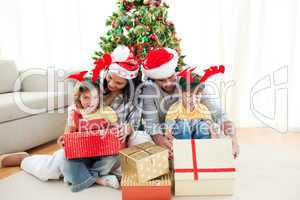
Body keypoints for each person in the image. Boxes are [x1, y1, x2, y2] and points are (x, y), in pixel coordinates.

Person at [140, 47, 239, 159]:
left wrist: (233, 139)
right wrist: (162, 142)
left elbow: (220, 115)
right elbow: (152, 125)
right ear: (153, 79)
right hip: (170, 134)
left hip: (197, 130)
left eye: (171, 77)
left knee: (211, 132)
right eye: (161, 80)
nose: (168, 83)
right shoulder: (148, 90)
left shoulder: (190, 82)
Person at [165, 69, 219, 140]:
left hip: (196, 133)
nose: (193, 100)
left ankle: (201, 144)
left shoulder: (202, 108)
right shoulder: (176, 107)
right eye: (189, 96)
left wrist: (213, 133)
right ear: (181, 94)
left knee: (203, 126)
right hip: (183, 134)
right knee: (181, 125)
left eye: (197, 96)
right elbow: (169, 123)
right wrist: (168, 134)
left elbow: (208, 121)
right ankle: (184, 145)